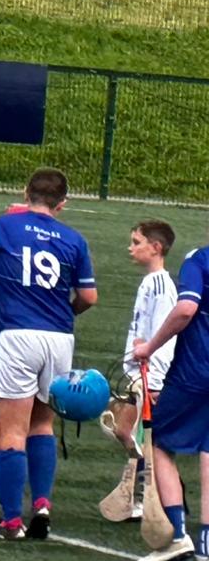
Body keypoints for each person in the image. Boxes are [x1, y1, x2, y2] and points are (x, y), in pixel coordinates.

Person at [0, 168, 97, 541]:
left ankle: (12, 521)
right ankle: (43, 506)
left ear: (25, 192)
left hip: (18, 334)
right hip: (59, 339)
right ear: (62, 203)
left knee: (12, 429)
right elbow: (89, 297)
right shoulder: (74, 239)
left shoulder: (6, 225)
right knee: (43, 425)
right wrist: (66, 313)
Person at [133, 245, 209, 560]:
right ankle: (206, 544)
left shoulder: (199, 259)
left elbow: (186, 309)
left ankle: (177, 534)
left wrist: (149, 346)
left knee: (160, 442)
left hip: (195, 371)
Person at [102, 221, 177, 522]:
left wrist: (150, 379)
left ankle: (151, 498)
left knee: (136, 435)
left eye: (136, 242)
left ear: (156, 248)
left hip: (147, 377)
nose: (130, 248)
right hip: (137, 374)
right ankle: (144, 496)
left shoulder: (160, 285)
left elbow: (163, 336)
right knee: (128, 433)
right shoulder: (150, 282)